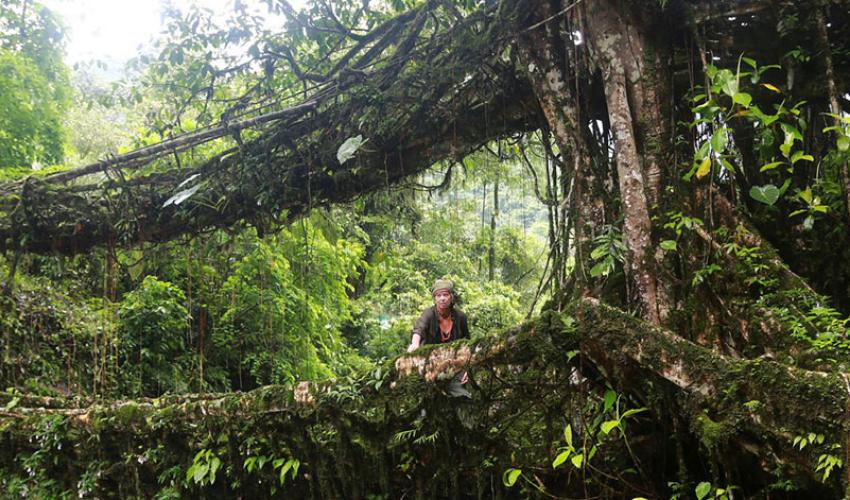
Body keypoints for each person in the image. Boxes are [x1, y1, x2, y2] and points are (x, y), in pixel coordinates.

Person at [407, 279, 470, 352]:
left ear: (451, 297)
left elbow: (467, 340)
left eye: (445, 295)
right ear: (435, 299)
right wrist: (415, 344)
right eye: (438, 295)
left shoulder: (460, 316)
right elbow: (419, 330)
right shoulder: (429, 314)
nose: (442, 298)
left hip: (454, 357)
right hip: (429, 357)